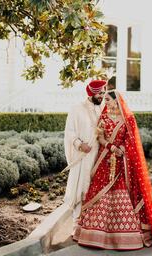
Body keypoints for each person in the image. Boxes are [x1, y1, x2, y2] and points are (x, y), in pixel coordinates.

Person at [73, 90, 152, 251]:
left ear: (116, 101)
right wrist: (111, 147)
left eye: (108, 100)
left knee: (121, 195)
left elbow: (132, 143)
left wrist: (121, 150)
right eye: (105, 100)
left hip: (122, 163)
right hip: (104, 160)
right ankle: (94, 234)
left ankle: (124, 237)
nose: (105, 103)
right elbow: (100, 139)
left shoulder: (128, 119)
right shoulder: (104, 118)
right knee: (100, 194)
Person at [63, 79, 107, 234]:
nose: (102, 95)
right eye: (100, 93)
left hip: (100, 157)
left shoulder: (104, 108)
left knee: (95, 189)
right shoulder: (77, 109)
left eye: (104, 92)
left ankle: (92, 224)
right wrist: (80, 144)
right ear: (92, 93)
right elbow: (69, 132)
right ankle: (77, 224)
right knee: (80, 189)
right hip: (83, 156)